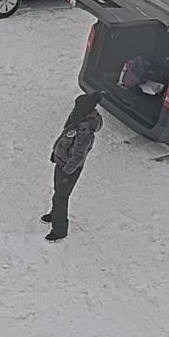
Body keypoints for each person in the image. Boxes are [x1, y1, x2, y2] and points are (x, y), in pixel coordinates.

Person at [44, 91, 102, 241]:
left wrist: (67, 170)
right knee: (58, 193)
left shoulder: (85, 129)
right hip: (62, 162)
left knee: (61, 197)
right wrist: (55, 152)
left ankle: (59, 230)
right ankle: (54, 214)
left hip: (68, 168)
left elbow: (78, 155)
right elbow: (65, 136)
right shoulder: (77, 118)